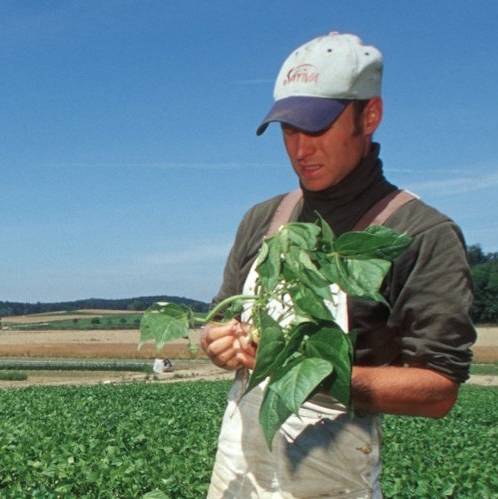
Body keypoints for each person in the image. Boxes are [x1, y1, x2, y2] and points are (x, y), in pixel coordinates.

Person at [199, 32, 476, 498]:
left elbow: (437, 389)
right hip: (238, 473)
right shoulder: (264, 220)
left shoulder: (418, 232)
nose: (300, 149)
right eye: (289, 130)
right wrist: (215, 341)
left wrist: (310, 377)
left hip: (330, 479)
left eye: (317, 127)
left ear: (369, 116)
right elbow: (218, 321)